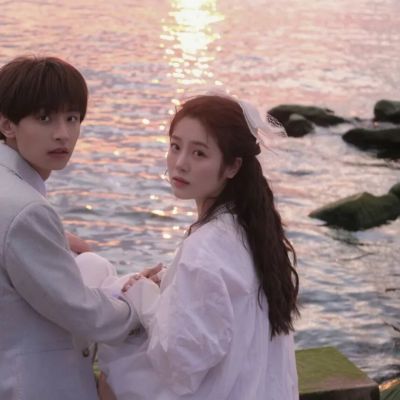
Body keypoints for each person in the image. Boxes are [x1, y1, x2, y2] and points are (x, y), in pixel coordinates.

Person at [94, 93, 300, 399]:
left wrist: (144, 295)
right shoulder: (251, 230)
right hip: (262, 388)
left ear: (232, 166)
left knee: (110, 379)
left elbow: (179, 358)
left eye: (199, 153)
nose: (180, 163)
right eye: (175, 147)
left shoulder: (205, 248)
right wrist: (169, 285)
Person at [0, 55, 143, 400]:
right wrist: (139, 307)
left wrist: (56, 241)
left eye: (72, 118)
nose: (62, 134)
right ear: (7, 125)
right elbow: (80, 311)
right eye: (44, 118)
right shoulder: (26, 209)